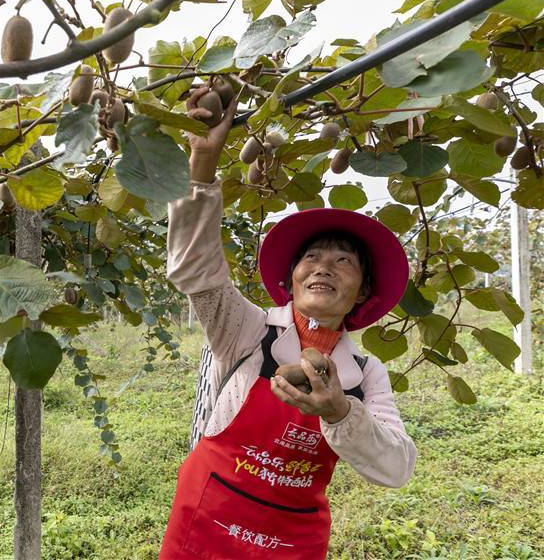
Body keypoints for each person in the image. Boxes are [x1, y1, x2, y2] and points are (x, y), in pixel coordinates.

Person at [159, 103, 417, 559]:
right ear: (292, 277)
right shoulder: (247, 329)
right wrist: (201, 165)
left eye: (344, 261)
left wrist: (340, 412)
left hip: (291, 538)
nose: (324, 268)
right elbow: (196, 271)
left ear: (362, 292)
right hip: (208, 516)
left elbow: (396, 468)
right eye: (312, 258)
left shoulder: (363, 372)